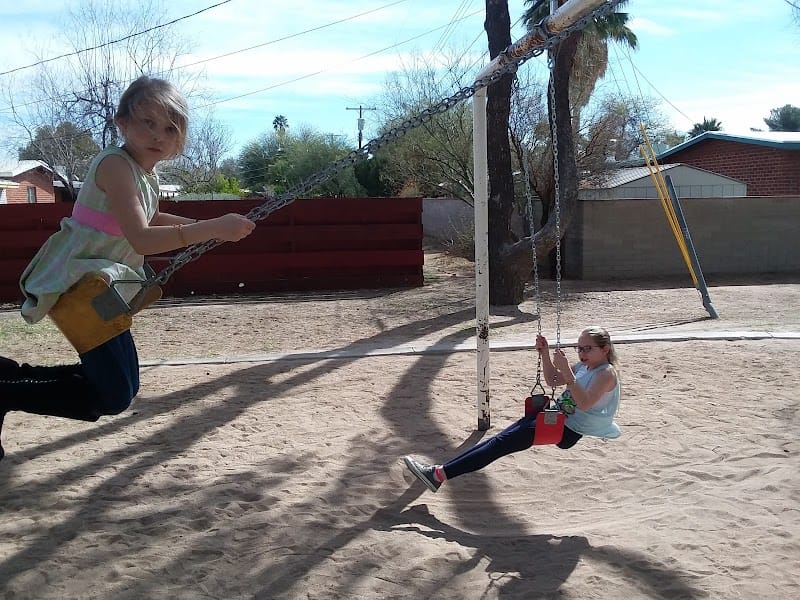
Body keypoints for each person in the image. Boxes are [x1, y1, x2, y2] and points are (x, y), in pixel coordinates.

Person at [0, 75, 256, 461]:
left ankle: (7, 378)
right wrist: (213, 228)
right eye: (147, 122)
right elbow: (141, 237)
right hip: (77, 284)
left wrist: (214, 228)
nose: (158, 135)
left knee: (123, 383)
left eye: (170, 128)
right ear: (122, 122)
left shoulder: (145, 174)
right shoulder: (115, 166)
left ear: (180, 138)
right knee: (113, 393)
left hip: (103, 286)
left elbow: (149, 217)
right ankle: (5, 388)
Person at [403, 326, 621, 493]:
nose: (582, 353)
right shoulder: (584, 366)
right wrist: (545, 353)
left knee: (500, 444)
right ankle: (438, 473)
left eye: (588, 348)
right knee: (499, 439)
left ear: (604, 349)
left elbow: (585, 403)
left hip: (568, 430)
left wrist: (568, 372)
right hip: (555, 417)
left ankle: (438, 475)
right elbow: (553, 379)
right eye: (579, 348)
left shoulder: (606, 373)